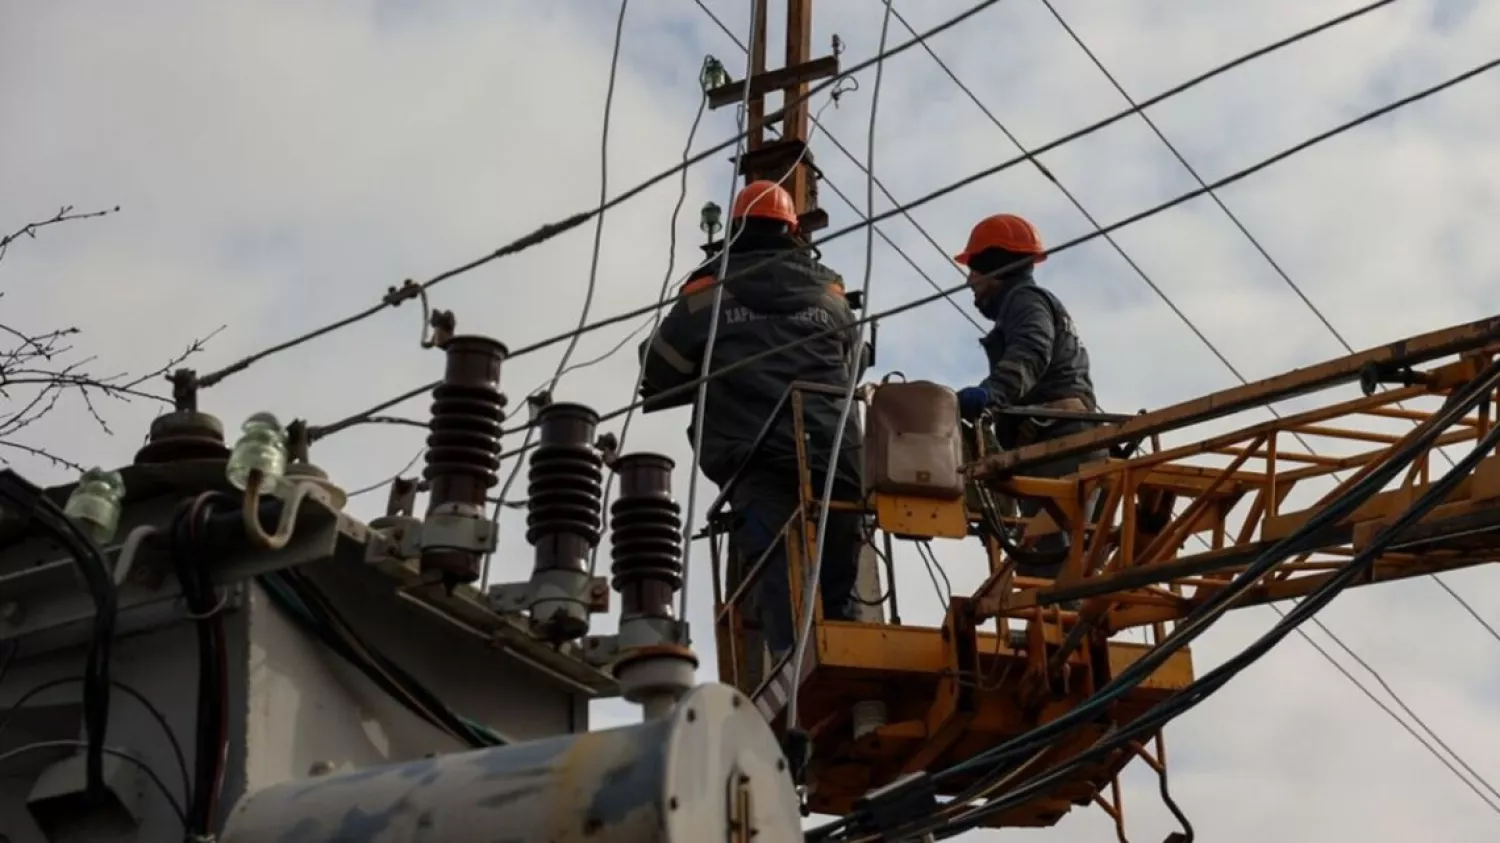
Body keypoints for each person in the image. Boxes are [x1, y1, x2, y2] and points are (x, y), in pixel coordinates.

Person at [637, 179, 866, 663]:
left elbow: (661, 366)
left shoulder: (709, 293)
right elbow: (854, 361)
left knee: (774, 566)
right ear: (793, 231)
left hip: (755, 456)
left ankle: (790, 669)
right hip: (836, 452)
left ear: (736, 230)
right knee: (838, 568)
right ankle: (848, 660)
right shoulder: (831, 293)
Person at [951, 213, 1107, 578]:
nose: (970, 281)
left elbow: (1032, 351)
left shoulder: (1024, 300)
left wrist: (993, 394)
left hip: (1059, 442)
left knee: (1050, 574)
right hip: (1067, 440)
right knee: (1064, 571)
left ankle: (1063, 632)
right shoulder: (1027, 304)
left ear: (995, 266)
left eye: (974, 269)